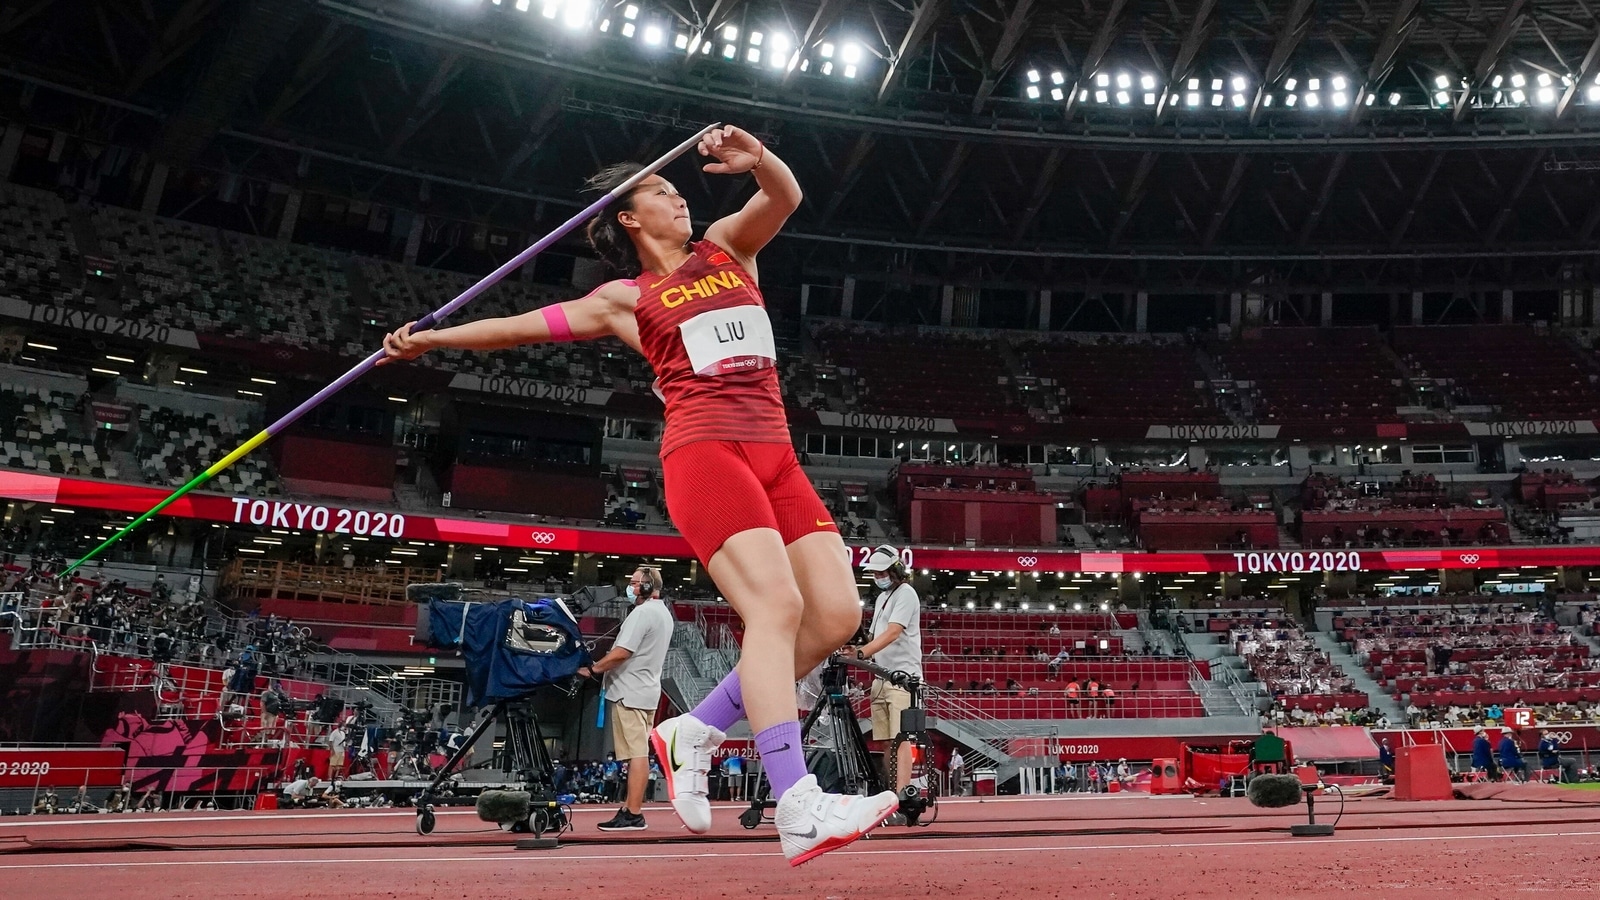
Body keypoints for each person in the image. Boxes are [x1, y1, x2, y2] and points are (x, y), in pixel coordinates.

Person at [381, 124, 896, 865]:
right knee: (776, 610)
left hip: (778, 455)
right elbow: (520, 329)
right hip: (706, 450)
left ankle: (694, 730)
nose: (680, 195)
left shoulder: (728, 246)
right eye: (662, 190)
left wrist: (761, 161)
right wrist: (433, 340)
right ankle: (797, 802)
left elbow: (785, 196)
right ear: (629, 218)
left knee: (837, 616)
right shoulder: (626, 298)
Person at [580, 566, 674, 831]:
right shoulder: (663, 613)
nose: (630, 588)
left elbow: (623, 652)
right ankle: (629, 809)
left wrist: (593, 669)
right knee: (638, 752)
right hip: (645, 690)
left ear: (646, 586)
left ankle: (633, 813)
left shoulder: (643, 613)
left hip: (630, 692)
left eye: (634, 583)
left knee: (637, 754)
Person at [854, 545, 923, 802]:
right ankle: (891, 794)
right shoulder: (883, 599)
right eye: (874, 573)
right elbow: (875, 636)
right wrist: (858, 646)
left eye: (881, 572)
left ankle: (901, 796)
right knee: (885, 741)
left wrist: (861, 654)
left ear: (895, 571)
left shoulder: (906, 594)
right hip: (881, 677)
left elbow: (893, 632)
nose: (877, 577)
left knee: (900, 739)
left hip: (902, 679)